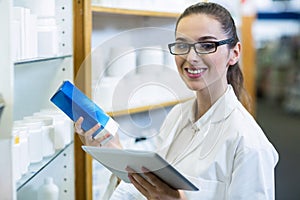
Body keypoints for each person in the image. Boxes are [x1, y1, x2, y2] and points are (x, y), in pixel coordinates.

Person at [75, 2, 279, 200]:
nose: (191, 57)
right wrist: (114, 151)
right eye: (182, 45)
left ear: (234, 53)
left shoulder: (249, 143)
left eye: (207, 45)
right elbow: (152, 185)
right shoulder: (177, 116)